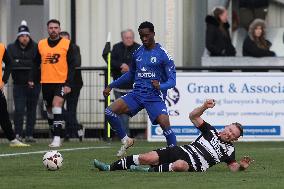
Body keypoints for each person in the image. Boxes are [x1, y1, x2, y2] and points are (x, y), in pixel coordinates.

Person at [94, 99, 254, 173]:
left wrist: (242, 167)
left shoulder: (229, 151)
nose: (229, 133)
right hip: (182, 151)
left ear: (235, 139)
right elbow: (193, 116)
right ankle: (109, 167)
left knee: (180, 166)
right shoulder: (209, 130)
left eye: (233, 134)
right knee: (147, 157)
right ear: (226, 126)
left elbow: (233, 167)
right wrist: (204, 107)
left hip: (194, 166)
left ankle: (144, 171)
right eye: (230, 129)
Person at [103, 21, 177, 157]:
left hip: (154, 96)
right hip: (137, 94)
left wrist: (161, 86)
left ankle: (175, 154)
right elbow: (130, 75)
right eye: (141, 36)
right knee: (109, 112)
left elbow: (172, 81)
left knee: (165, 124)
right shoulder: (138, 53)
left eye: (147, 35)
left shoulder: (163, 54)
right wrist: (111, 85)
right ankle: (126, 140)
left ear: (153, 34)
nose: (144, 39)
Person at [29, 19, 76, 147]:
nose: (53, 30)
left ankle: (57, 137)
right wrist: (31, 78)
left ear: (59, 29)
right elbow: (35, 62)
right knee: (49, 111)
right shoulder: (41, 44)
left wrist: (68, 84)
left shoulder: (67, 44)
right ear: (47, 29)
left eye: (56, 27)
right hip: (46, 82)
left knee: (57, 105)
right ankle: (56, 131)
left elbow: (72, 65)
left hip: (61, 81)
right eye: (51, 28)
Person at [7, 20, 40, 142]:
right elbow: (11, 63)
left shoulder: (36, 46)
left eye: (26, 35)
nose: (24, 38)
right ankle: (18, 134)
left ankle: (29, 135)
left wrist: (18, 62)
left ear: (29, 36)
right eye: (22, 36)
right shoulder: (11, 47)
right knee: (19, 110)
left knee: (32, 110)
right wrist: (27, 63)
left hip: (34, 84)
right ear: (18, 37)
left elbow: (36, 64)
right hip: (19, 84)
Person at [104, 29, 140, 136]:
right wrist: (121, 65)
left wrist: (129, 67)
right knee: (120, 112)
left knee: (125, 112)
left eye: (130, 37)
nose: (129, 39)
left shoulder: (139, 48)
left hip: (133, 87)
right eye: (126, 37)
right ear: (122, 38)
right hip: (118, 87)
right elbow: (110, 60)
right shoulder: (116, 47)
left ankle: (123, 135)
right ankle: (124, 135)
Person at [0, 42, 30, 147]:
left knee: (3, 116)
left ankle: (13, 140)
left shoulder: (1, 47)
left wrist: (3, 80)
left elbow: (9, 63)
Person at [59, 31, 84, 142]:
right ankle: (76, 127)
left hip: (75, 83)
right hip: (61, 83)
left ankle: (70, 133)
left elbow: (76, 63)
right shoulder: (57, 49)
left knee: (71, 109)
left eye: (66, 39)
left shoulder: (75, 48)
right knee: (58, 107)